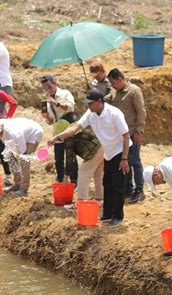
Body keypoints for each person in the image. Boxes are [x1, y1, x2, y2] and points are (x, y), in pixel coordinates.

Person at [49, 89, 130, 228]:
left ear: (99, 102)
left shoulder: (114, 114)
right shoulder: (91, 113)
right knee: (107, 183)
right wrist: (57, 137)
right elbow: (75, 127)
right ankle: (108, 214)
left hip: (120, 150)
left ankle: (118, 217)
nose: (89, 106)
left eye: (91, 103)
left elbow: (126, 136)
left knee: (118, 185)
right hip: (108, 151)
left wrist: (124, 159)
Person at [106, 68, 147, 203]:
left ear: (120, 79)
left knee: (135, 161)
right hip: (120, 134)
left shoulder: (134, 91)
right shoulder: (114, 92)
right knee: (125, 161)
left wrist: (139, 131)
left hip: (132, 132)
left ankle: (140, 190)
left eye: (113, 82)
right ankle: (128, 189)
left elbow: (141, 112)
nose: (111, 85)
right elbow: (107, 102)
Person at [48, 120, 104, 210]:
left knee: (83, 174)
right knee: (98, 174)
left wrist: (66, 177)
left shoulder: (69, 139)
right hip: (103, 147)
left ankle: (81, 202)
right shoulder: (78, 132)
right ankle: (100, 199)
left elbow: (70, 159)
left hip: (94, 150)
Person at [40, 75, 78, 185]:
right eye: (45, 88)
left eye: (49, 86)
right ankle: (60, 179)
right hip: (57, 130)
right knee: (58, 157)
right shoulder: (47, 101)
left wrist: (57, 104)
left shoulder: (65, 93)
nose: (47, 89)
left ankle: (75, 180)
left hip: (68, 127)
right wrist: (46, 116)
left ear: (54, 83)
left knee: (71, 156)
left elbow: (70, 107)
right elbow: (51, 121)